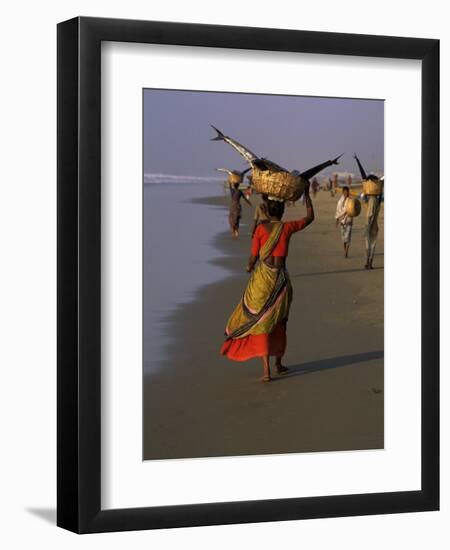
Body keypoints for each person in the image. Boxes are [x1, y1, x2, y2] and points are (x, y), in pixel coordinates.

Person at [220, 183, 315, 382]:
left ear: (267, 211)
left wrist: (248, 267)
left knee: (261, 322)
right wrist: (306, 194)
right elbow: (309, 218)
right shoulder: (287, 227)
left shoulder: (262, 229)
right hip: (281, 281)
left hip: (262, 281)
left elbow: (253, 256)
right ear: (281, 212)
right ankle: (279, 363)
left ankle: (266, 370)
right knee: (281, 322)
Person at [353, 154, 383, 269]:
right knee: (372, 244)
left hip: (370, 223)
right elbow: (365, 177)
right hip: (374, 224)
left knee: (368, 244)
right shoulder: (378, 197)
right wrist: (358, 161)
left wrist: (358, 161)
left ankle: (368, 263)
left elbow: (364, 178)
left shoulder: (369, 197)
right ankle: (369, 263)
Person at [335, 186, 353, 258]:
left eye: (347, 192)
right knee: (344, 239)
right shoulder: (340, 201)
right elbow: (337, 211)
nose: (346, 193)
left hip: (349, 221)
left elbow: (353, 210)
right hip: (342, 222)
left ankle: (346, 252)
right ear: (343, 192)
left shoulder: (350, 201)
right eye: (345, 192)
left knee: (348, 237)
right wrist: (337, 219)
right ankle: (345, 249)